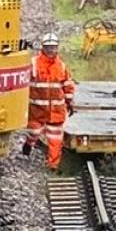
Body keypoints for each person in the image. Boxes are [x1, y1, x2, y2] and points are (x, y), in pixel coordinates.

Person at [25, 31, 76, 168]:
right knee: (33, 132)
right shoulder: (34, 64)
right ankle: (29, 144)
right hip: (37, 110)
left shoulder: (61, 66)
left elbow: (67, 85)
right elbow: (23, 83)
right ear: (43, 47)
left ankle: (53, 166)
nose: (51, 50)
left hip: (56, 111)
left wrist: (70, 102)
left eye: (53, 47)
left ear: (57, 48)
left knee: (55, 139)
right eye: (48, 47)